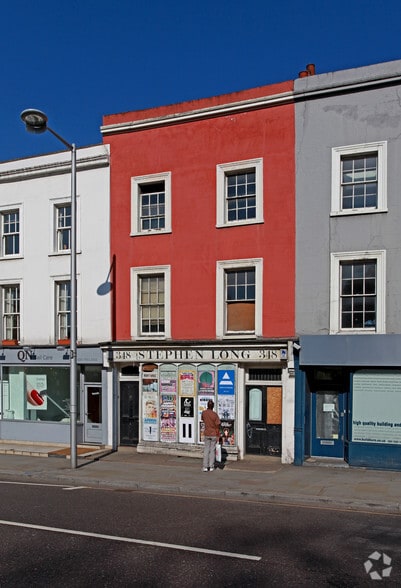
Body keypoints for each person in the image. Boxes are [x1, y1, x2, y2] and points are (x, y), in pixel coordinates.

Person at [201, 399, 220, 472]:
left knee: (206, 450)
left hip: (207, 433)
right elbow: (217, 425)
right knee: (212, 450)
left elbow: (203, 420)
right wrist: (218, 435)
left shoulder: (204, 413)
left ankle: (205, 466)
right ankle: (211, 466)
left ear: (207, 405)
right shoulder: (215, 414)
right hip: (213, 433)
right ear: (213, 406)